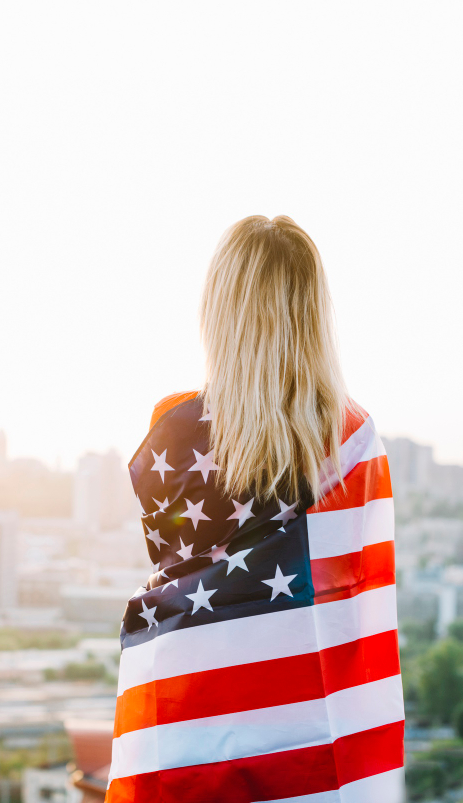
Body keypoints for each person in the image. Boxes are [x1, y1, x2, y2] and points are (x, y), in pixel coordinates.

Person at [106, 216, 404, 803]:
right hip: (308, 733)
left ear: (218, 310)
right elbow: (358, 597)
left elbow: (171, 559)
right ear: (313, 312)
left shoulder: (173, 427)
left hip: (184, 712)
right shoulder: (351, 436)